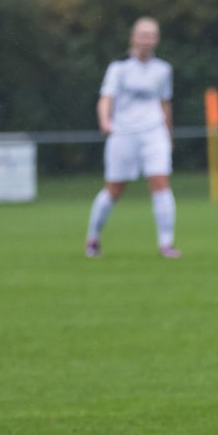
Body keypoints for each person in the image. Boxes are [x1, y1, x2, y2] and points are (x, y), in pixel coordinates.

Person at [84, 16, 180, 259]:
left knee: (160, 183)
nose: (147, 41)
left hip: (153, 132)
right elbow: (106, 97)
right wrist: (105, 120)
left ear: (157, 40)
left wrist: (168, 135)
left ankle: (166, 244)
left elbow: (164, 104)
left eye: (151, 36)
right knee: (115, 189)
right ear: (133, 37)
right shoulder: (119, 67)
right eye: (143, 35)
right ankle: (93, 238)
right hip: (124, 133)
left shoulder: (163, 70)